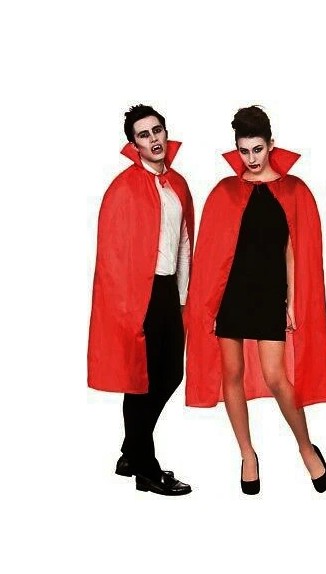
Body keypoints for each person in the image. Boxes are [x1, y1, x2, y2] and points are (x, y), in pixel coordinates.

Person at [185, 105, 326, 494]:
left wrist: (291, 300)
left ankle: (306, 448)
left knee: (276, 378)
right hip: (231, 296)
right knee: (231, 374)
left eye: (257, 149)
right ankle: (247, 454)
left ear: (270, 144)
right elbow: (212, 253)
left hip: (269, 295)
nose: (251, 159)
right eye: (244, 151)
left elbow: (292, 251)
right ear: (236, 148)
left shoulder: (293, 189)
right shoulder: (225, 191)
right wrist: (208, 302)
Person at [88, 104, 194, 496]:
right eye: (144, 135)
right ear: (134, 145)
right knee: (141, 380)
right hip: (136, 295)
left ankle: (130, 452)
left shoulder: (178, 184)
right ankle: (146, 469)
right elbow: (111, 253)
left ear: (166, 132)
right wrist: (122, 309)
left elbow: (185, 242)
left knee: (171, 374)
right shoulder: (123, 187)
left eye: (157, 130)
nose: (153, 139)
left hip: (168, 291)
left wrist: (184, 296)